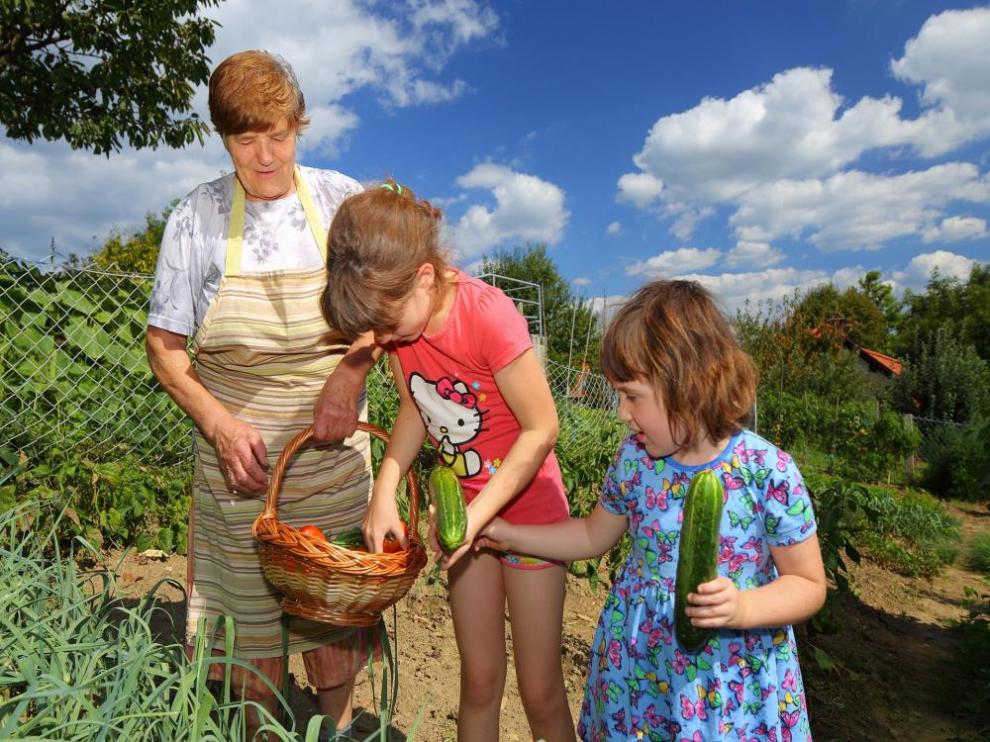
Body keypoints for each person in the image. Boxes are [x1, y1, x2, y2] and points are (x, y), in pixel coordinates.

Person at [145, 50, 381, 736]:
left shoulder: (341, 202)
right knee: (247, 643)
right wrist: (220, 425)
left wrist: (351, 370)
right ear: (223, 138)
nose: (267, 156)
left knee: (334, 628)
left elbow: (384, 318)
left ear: (299, 125)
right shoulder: (197, 220)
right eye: (247, 141)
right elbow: (165, 350)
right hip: (239, 477)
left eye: (279, 135)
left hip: (330, 460)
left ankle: (331, 729)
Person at [480, 280, 827, 741]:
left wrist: (743, 606)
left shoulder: (767, 472)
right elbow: (590, 536)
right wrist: (510, 534)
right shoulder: (635, 460)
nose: (622, 413)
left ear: (686, 383)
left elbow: (807, 584)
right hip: (639, 680)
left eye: (631, 396)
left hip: (725, 690)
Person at [320, 181, 577, 742]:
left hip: (531, 517)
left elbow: (542, 429)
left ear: (425, 278)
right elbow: (416, 408)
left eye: (387, 324)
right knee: (480, 679)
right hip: (464, 517)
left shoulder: (488, 317)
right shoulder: (398, 333)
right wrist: (384, 489)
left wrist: (482, 515)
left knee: (540, 690)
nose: (381, 339)